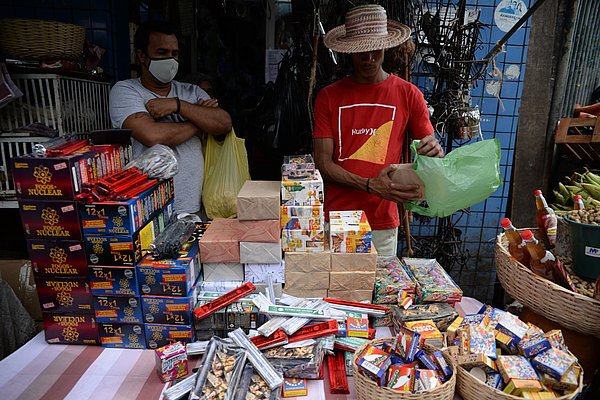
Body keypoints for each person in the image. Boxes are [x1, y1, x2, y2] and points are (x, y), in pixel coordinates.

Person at [313, 5, 444, 256]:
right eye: (362, 51)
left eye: (376, 50)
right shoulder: (328, 97)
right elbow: (322, 162)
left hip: (383, 218)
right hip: (338, 215)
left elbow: (428, 148)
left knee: (379, 290)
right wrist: (371, 185)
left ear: (386, 46)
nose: (369, 58)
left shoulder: (408, 94)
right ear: (349, 51)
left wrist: (433, 149)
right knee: (338, 290)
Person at [109, 21, 232, 214]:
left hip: (193, 207)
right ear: (142, 56)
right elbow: (152, 135)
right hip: (147, 210)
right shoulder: (126, 90)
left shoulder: (191, 91)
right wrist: (198, 121)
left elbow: (223, 123)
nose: (170, 59)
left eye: (174, 54)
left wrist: (178, 105)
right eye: (161, 52)